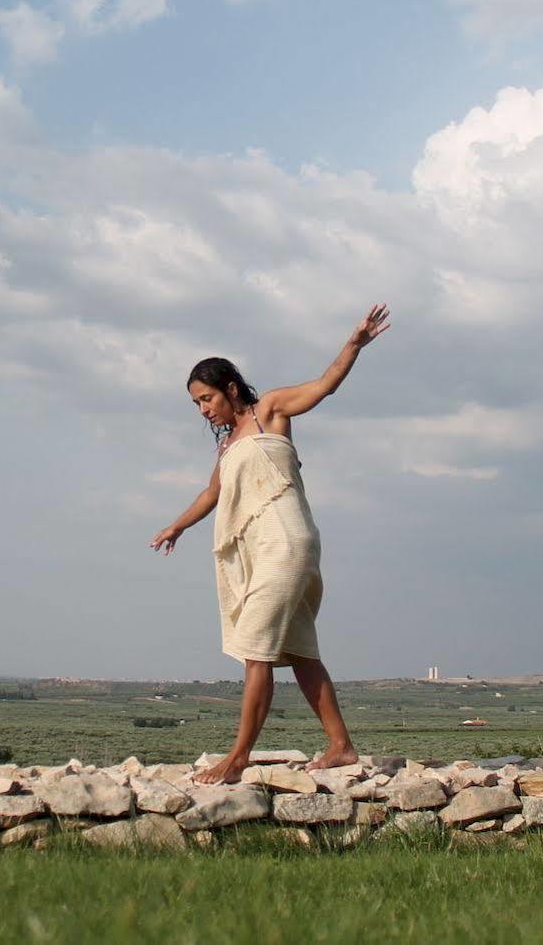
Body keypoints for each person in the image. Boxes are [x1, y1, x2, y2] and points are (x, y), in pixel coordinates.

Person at [149, 303, 390, 783]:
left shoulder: (269, 411)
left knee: (256, 648)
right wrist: (177, 526)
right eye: (197, 403)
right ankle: (341, 746)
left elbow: (324, 386)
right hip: (263, 552)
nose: (204, 410)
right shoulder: (228, 443)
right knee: (300, 652)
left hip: (287, 543)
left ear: (230, 389)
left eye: (207, 399)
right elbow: (213, 494)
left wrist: (354, 344)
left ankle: (237, 758)